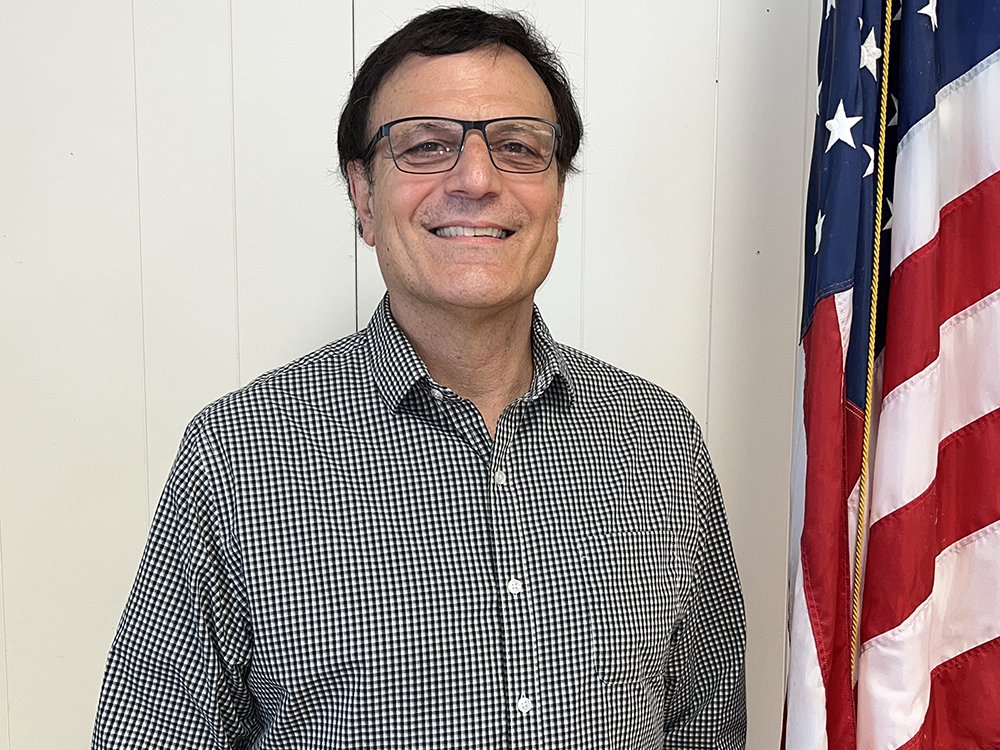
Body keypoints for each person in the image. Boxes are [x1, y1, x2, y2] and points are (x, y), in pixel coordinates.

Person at [92, 7, 746, 748]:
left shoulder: (663, 442)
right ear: (364, 198)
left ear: (558, 195)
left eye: (518, 146)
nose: (477, 179)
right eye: (427, 145)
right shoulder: (236, 456)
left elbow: (709, 729)